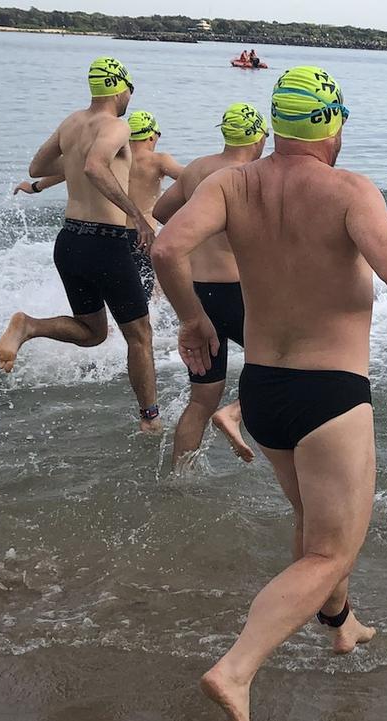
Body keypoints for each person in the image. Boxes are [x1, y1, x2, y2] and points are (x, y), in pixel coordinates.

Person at [151, 66, 387, 721]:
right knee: (330, 547)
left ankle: (340, 622)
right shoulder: (348, 189)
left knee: (315, 526)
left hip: (266, 393)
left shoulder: (232, 183)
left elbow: (167, 246)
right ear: (331, 124)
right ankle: (237, 667)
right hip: (330, 396)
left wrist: (192, 318)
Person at [0, 57, 161, 432]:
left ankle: (28, 326)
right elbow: (94, 166)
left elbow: (38, 166)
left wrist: (38, 186)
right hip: (107, 243)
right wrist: (135, 214)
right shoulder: (117, 126)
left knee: (93, 332)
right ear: (120, 88)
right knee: (140, 334)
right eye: (130, 90)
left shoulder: (72, 122)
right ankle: (150, 419)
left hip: (70, 241)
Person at [153, 102, 270, 466]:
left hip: (197, 294)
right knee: (288, 365)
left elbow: (160, 212)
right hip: (240, 292)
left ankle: (177, 478)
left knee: (201, 399)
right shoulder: (253, 176)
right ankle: (235, 412)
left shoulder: (197, 170)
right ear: (259, 137)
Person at [125, 110, 183, 298]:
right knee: (145, 296)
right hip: (143, 237)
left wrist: (37, 186)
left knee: (118, 292)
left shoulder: (115, 158)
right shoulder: (157, 160)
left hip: (113, 234)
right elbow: (188, 177)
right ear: (151, 136)